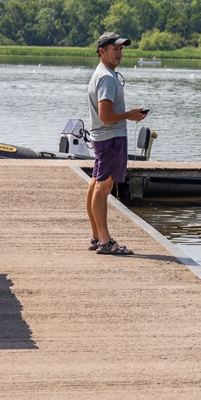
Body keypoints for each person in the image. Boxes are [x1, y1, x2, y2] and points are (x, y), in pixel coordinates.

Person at [86, 32, 148, 255]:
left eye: (121, 49)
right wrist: (129, 115)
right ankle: (104, 241)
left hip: (104, 138)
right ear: (102, 51)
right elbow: (105, 115)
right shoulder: (106, 78)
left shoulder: (105, 74)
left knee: (96, 184)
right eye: (115, 49)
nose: (120, 53)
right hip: (110, 138)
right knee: (103, 188)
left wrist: (128, 114)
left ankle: (96, 237)